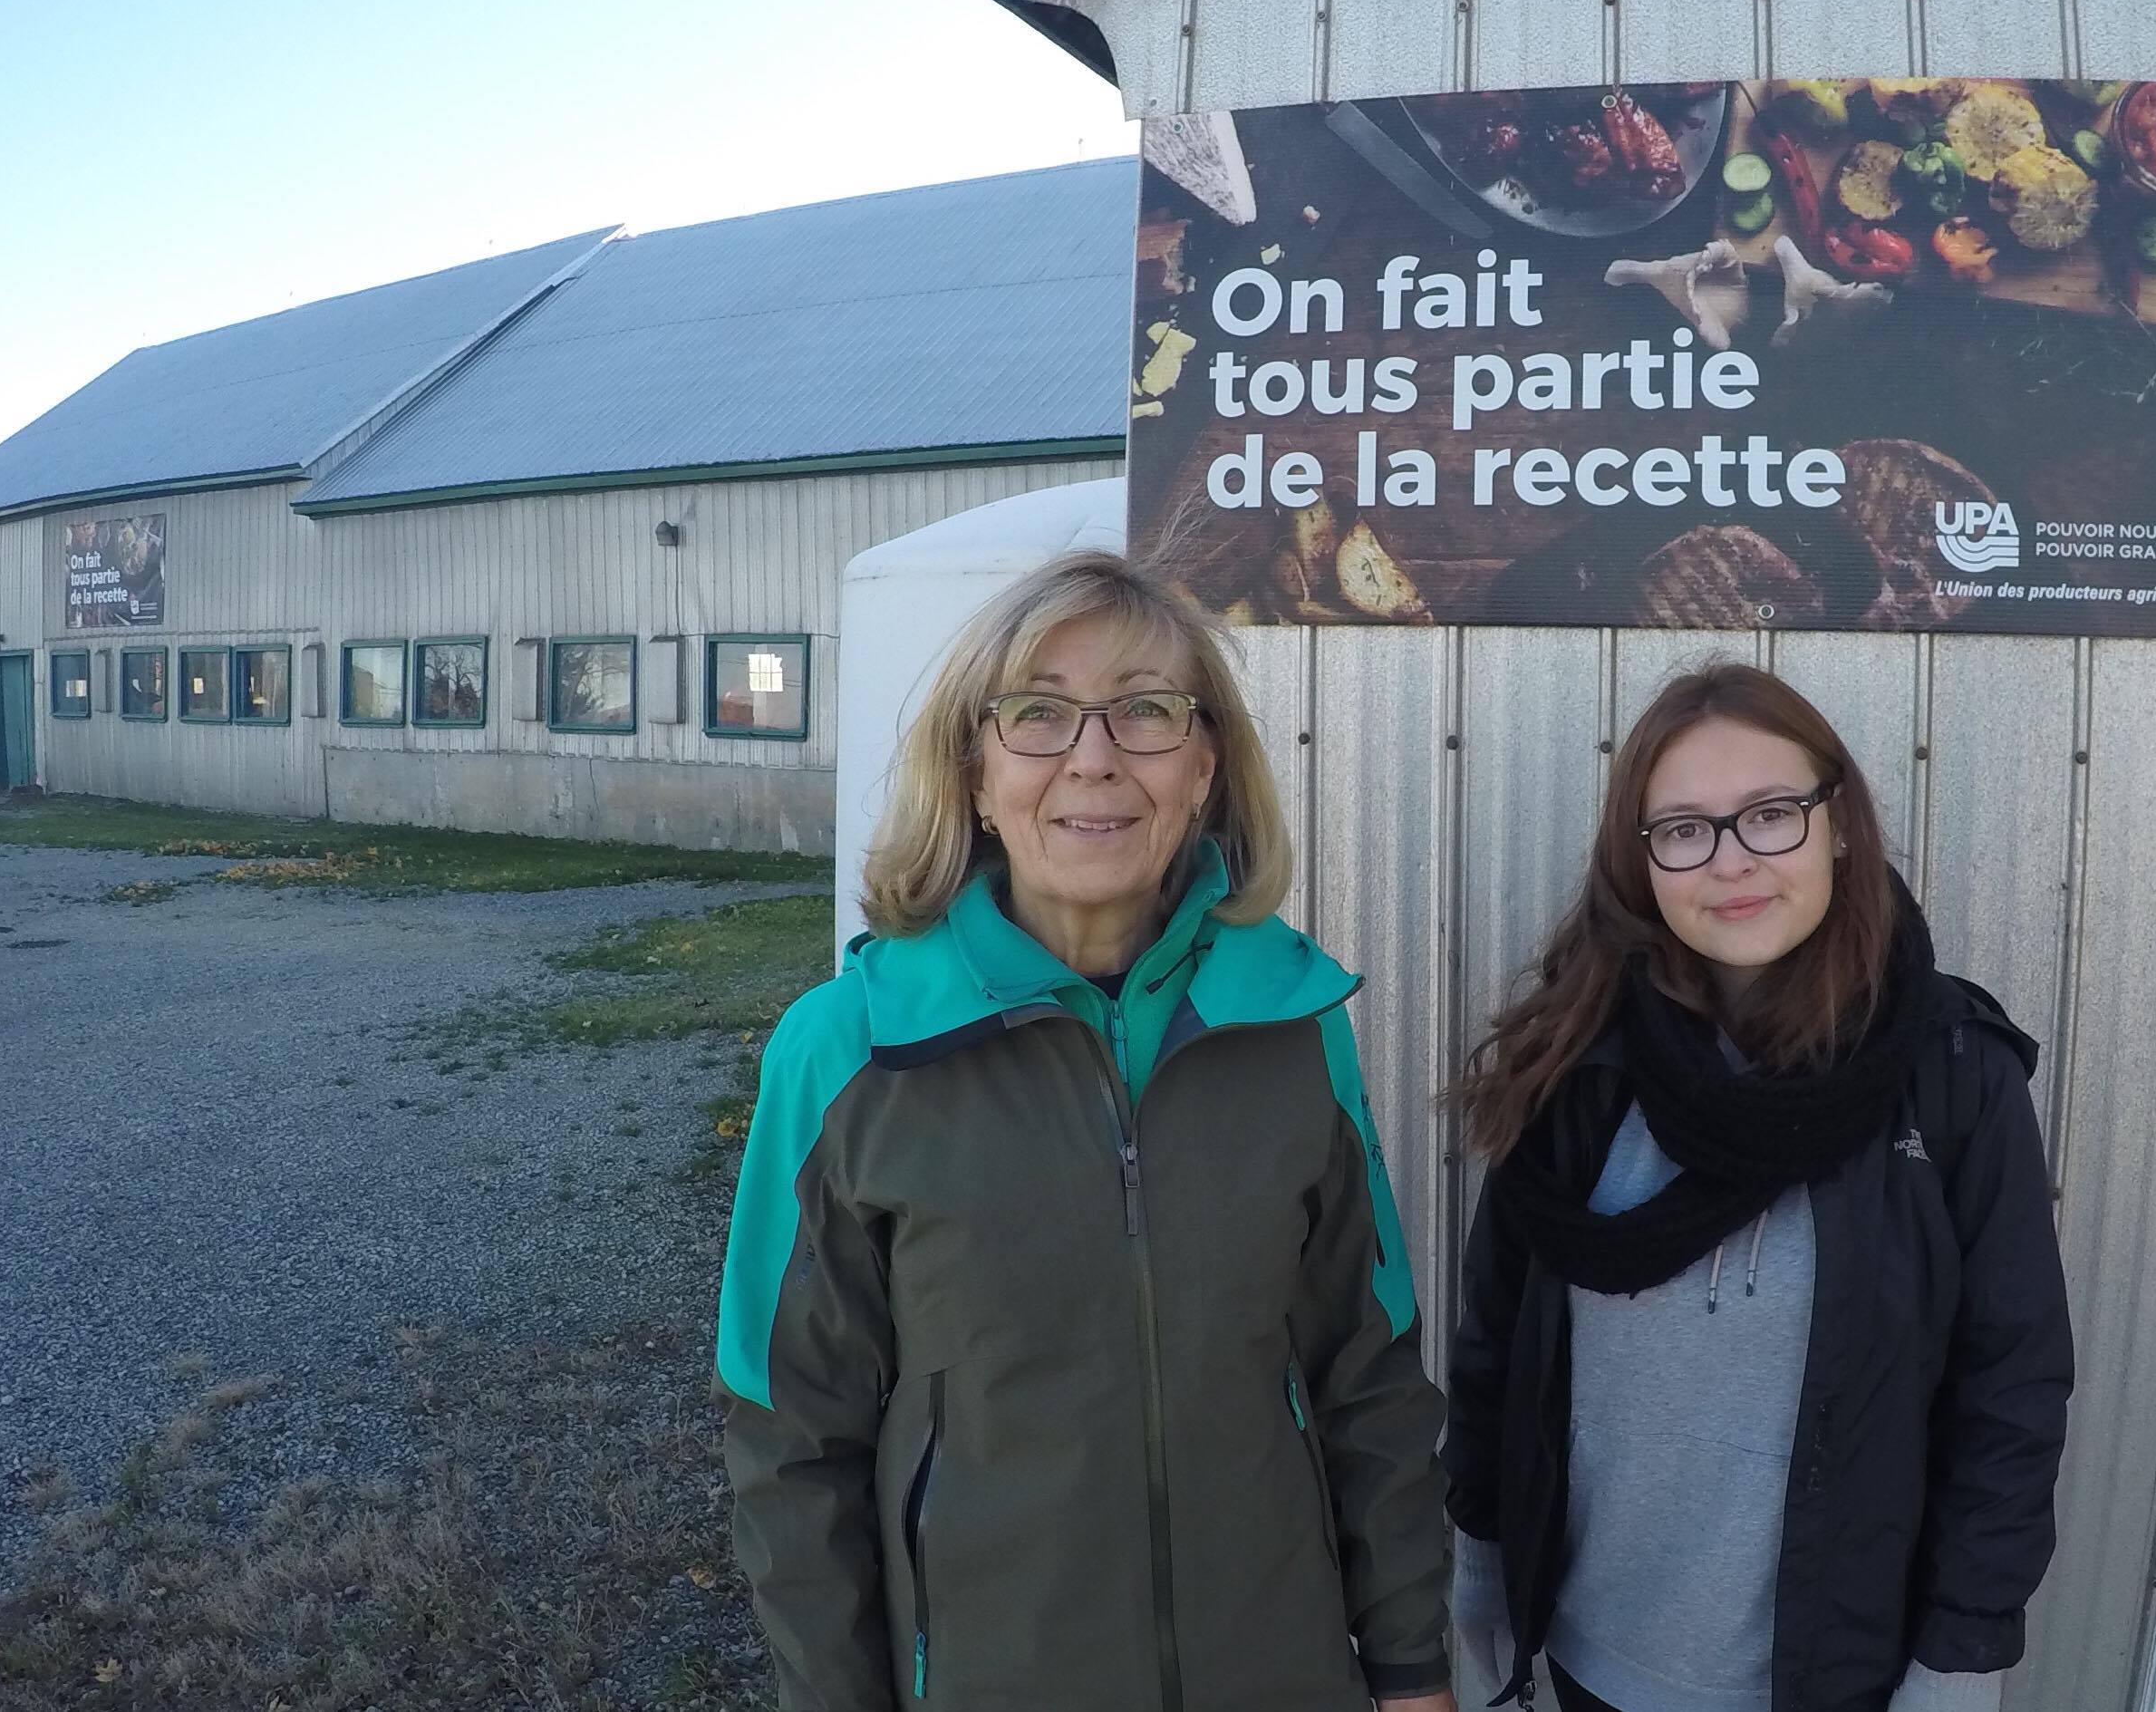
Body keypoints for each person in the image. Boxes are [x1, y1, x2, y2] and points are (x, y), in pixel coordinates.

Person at [717, 550, 1456, 1712]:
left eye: (1147, 711)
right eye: (1039, 714)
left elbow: (1368, 1375)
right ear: (974, 770)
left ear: (1205, 767)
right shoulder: (847, 1048)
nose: (1095, 755)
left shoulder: (1292, 1026)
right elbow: (790, 1440)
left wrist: (1410, 1664)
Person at [1443, 663, 2072, 1712]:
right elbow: (1497, 1339)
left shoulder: (1951, 1073)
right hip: (1593, 1661)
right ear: (1640, 863)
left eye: (1770, 814)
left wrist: (1960, 1660)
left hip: (1830, 1680)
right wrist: (1479, 1545)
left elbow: (2009, 1388)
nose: (1731, 860)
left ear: (1837, 824)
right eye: (1684, 828)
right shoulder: (1576, 1067)